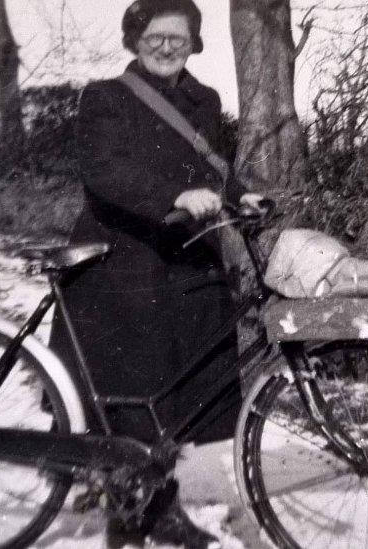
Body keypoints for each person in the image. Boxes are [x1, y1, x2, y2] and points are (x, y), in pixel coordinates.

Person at [47, 1, 262, 547]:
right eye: (155, 37)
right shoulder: (105, 98)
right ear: (134, 41)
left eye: (179, 37)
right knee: (128, 399)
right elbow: (104, 175)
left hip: (187, 258)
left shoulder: (205, 100)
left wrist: (241, 196)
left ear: (194, 43)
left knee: (182, 393)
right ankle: (130, 518)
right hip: (121, 263)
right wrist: (172, 195)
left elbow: (213, 167)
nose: (167, 46)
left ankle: (155, 503)